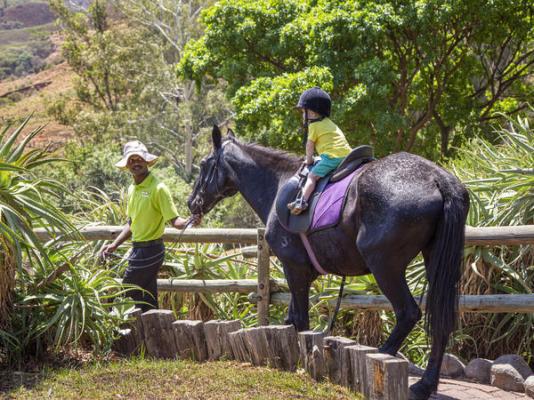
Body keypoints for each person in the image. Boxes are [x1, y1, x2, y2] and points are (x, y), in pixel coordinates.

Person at [100, 140, 200, 311]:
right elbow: (132, 223)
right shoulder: (132, 189)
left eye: (139, 159)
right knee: (146, 300)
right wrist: (114, 245)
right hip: (138, 250)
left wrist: (191, 220)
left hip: (151, 250)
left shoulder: (158, 188)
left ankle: (116, 333)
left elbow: (175, 221)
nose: (135, 163)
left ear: (147, 161)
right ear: (127, 166)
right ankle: (154, 334)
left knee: (125, 295)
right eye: (131, 160)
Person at [287, 87, 352, 215]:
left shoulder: (314, 126)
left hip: (333, 157)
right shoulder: (329, 122)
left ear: (312, 113)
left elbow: (309, 146)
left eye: (304, 111)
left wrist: (309, 160)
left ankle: (302, 202)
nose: (303, 115)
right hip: (348, 155)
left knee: (311, 177)